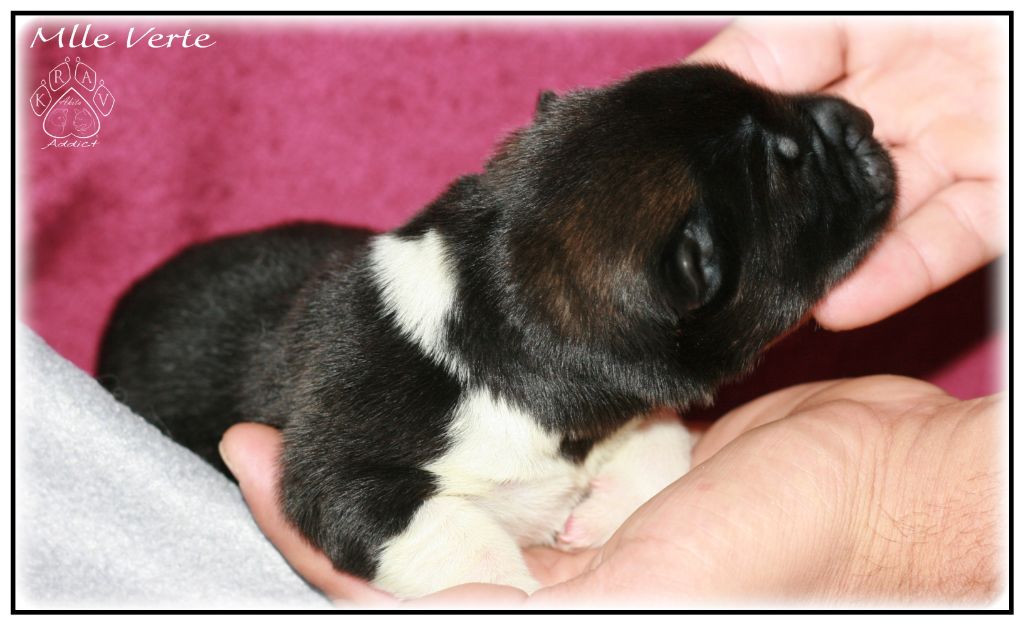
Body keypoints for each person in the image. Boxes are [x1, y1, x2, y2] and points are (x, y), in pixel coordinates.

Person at [218, 18, 1008, 606]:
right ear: (695, 273)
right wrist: (491, 576)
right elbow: (335, 488)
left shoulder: (582, 352)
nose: (843, 117)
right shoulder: (395, 406)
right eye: (786, 162)